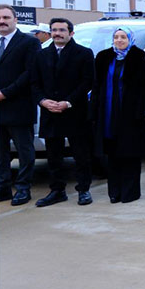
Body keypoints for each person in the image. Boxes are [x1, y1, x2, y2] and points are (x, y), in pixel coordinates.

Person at [32, 18, 95, 206]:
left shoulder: (83, 53)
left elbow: (87, 81)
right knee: (54, 155)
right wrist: (43, 101)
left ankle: (84, 189)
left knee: (81, 154)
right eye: (54, 30)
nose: (57, 33)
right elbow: (34, 83)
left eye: (61, 30)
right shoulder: (41, 55)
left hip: (75, 111)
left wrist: (68, 102)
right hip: (50, 112)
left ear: (71, 33)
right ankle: (57, 190)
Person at [90, 27, 145, 203]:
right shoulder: (104, 57)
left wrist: (144, 112)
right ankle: (114, 192)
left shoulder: (138, 57)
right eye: (116, 37)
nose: (119, 40)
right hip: (108, 112)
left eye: (123, 37)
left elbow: (144, 86)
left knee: (130, 153)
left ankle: (130, 192)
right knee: (112, 153)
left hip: (130, 114)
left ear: (130, 39)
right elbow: (97, 85)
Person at [0, 4, 42, 205]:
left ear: (15, 19)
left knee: (24, 151)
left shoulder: (28, 42)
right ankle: (3, 188)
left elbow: (30, 72)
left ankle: (23, 188)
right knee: (0, 152)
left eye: (6, 17)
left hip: (19, 106)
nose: (2, 21)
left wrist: (5, 93)